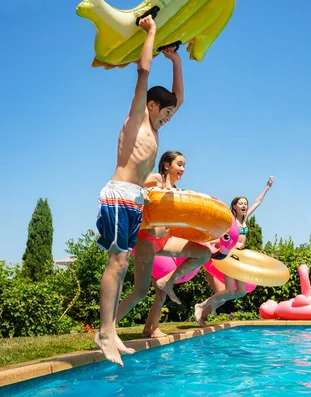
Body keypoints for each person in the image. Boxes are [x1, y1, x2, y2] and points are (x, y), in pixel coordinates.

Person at [94, 15, 202, 367]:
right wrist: (151, 33)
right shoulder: (137, 118)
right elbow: (142, 74)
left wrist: (176, 60)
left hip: (133, 200)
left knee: (123, 266)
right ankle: (105, 332)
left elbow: (180, 99)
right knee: (118, 262)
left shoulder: (156, 131)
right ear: (152, 106)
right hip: (118, 194)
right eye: (165, 111)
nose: (168, 117)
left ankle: (108, 330)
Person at [115, 150, 214, 337]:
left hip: (165, 241)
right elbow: (128, 184)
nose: (183, 169)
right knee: (140, 292)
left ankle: (166, 283)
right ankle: (107, 331)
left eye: (184, 165)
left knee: (203, 253)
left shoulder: (177, 192)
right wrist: (140, 192)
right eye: (179, 164)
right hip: (146, 240)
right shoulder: (156, 180)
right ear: (167, 165)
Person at [194, 176, 274, 325]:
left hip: (240, 257)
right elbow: (223, 237)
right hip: (229, 255)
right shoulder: (230, 220)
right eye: (241, 203)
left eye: (245, 204)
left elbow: (257, 202)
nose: (244, 206)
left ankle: (205, 307)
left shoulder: (244, 219)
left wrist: (267, 187)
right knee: (230, 290)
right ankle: (202, 306)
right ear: (234, 206)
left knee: (241, 292)